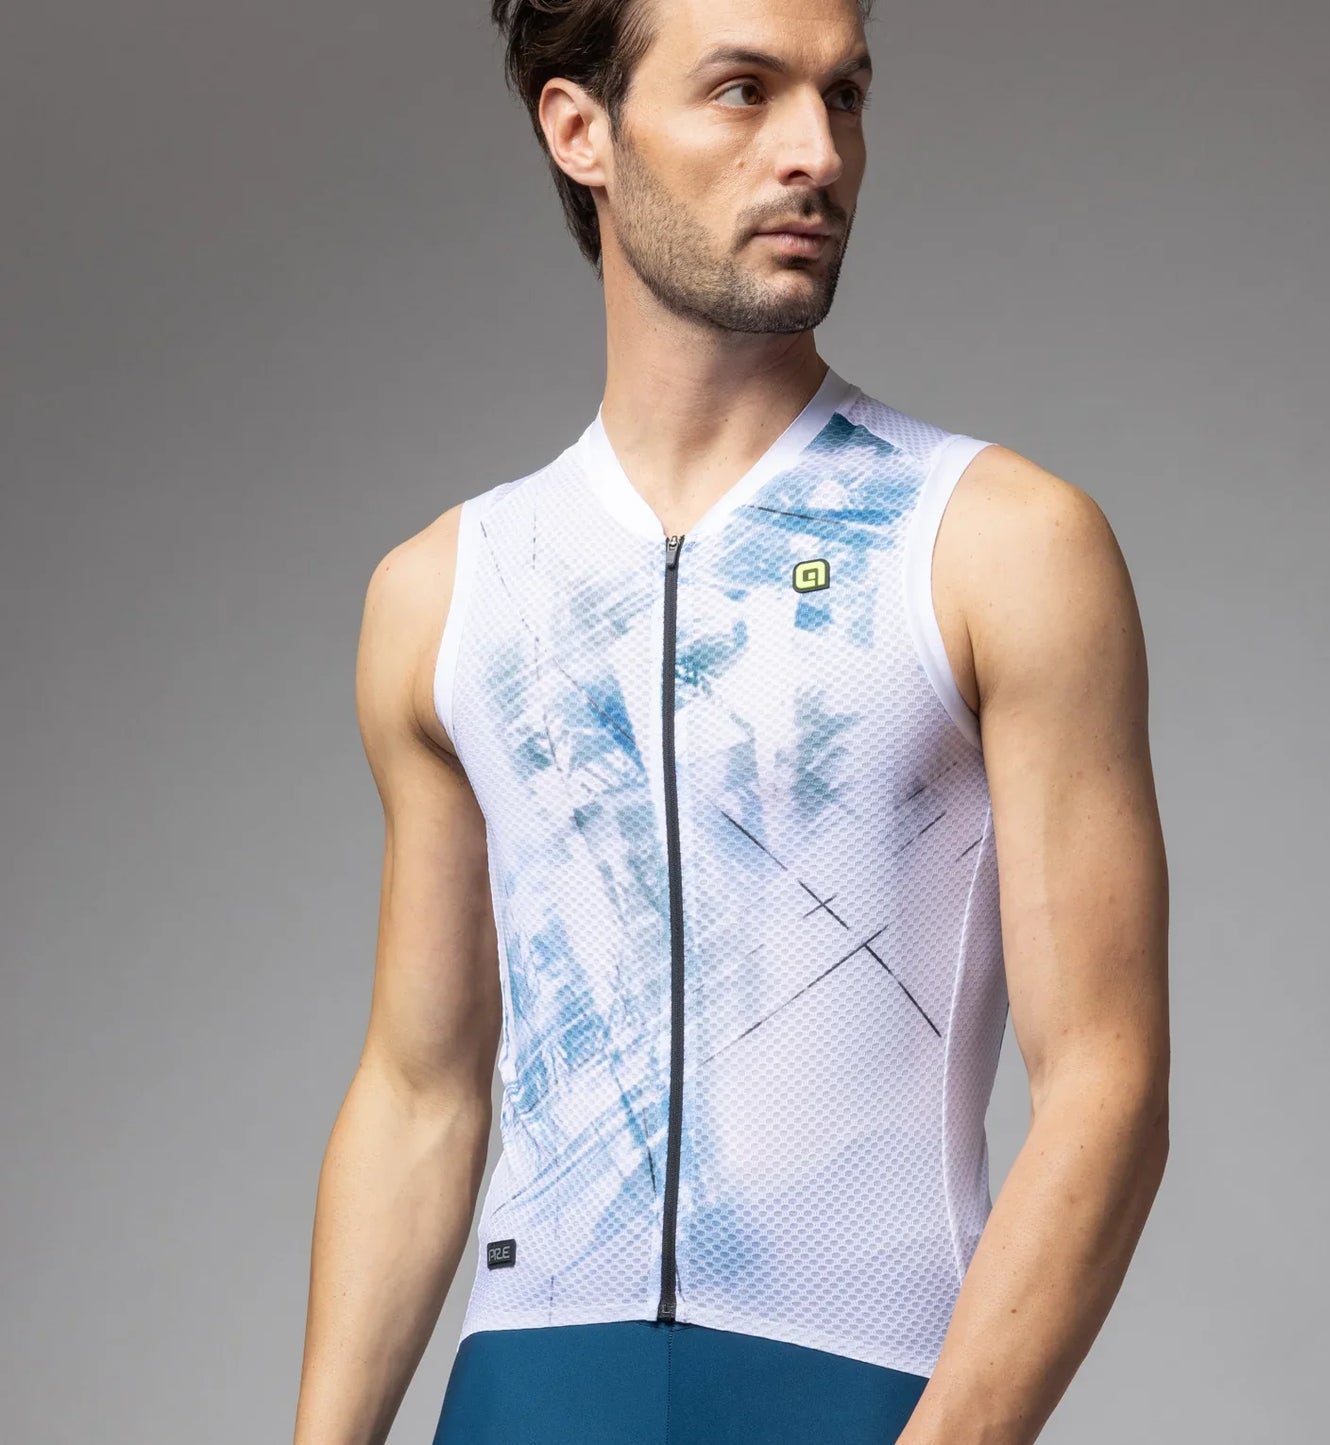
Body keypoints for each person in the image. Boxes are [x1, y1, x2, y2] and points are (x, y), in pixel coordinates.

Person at [291, 0, 1171, 1441]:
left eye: (845, 95)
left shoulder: (996, 544)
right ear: (582, 131)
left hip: (862, 1388)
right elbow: (420, 1088)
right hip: (526, 1398)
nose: (816, 151)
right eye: (745, 91)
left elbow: (1104, 1083)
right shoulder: (446, 592)